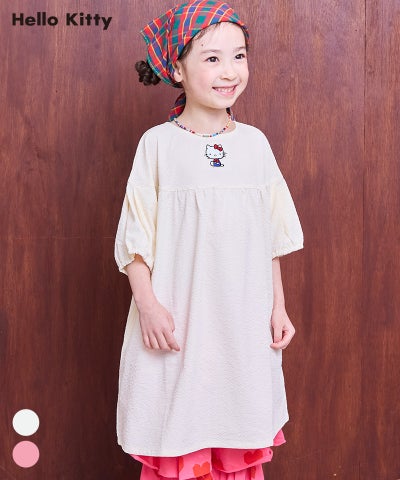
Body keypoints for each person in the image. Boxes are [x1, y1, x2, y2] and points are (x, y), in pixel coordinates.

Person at [114, 1, 304, 479]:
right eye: (212, 58)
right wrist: (148, 306)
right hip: (178, 322)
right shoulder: (157, 145)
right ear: (177, 69)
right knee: (179, 428)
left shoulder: (255, 144)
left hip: (241, 322)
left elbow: (270, 238)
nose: (229, 71)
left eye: (239, 56)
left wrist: (278, 307)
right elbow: (135, 239)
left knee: (236, 422)